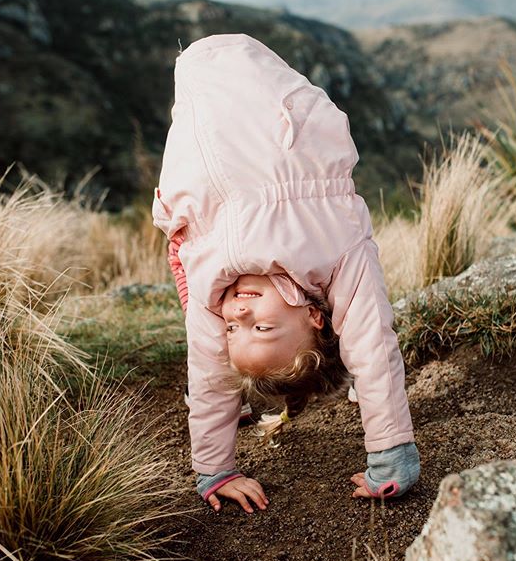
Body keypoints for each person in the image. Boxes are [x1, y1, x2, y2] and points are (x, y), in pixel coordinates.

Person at [152, 33, 420, 513]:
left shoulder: (212, 294)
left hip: (196, 94)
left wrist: (214, 471)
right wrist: (391, 452)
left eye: (235, 329)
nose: (236, 311)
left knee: (190, 280)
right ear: (315, 318)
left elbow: (209, 376)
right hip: (270, 107)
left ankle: (255, 405)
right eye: (262, 326)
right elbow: (373, 347)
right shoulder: (337, 254)